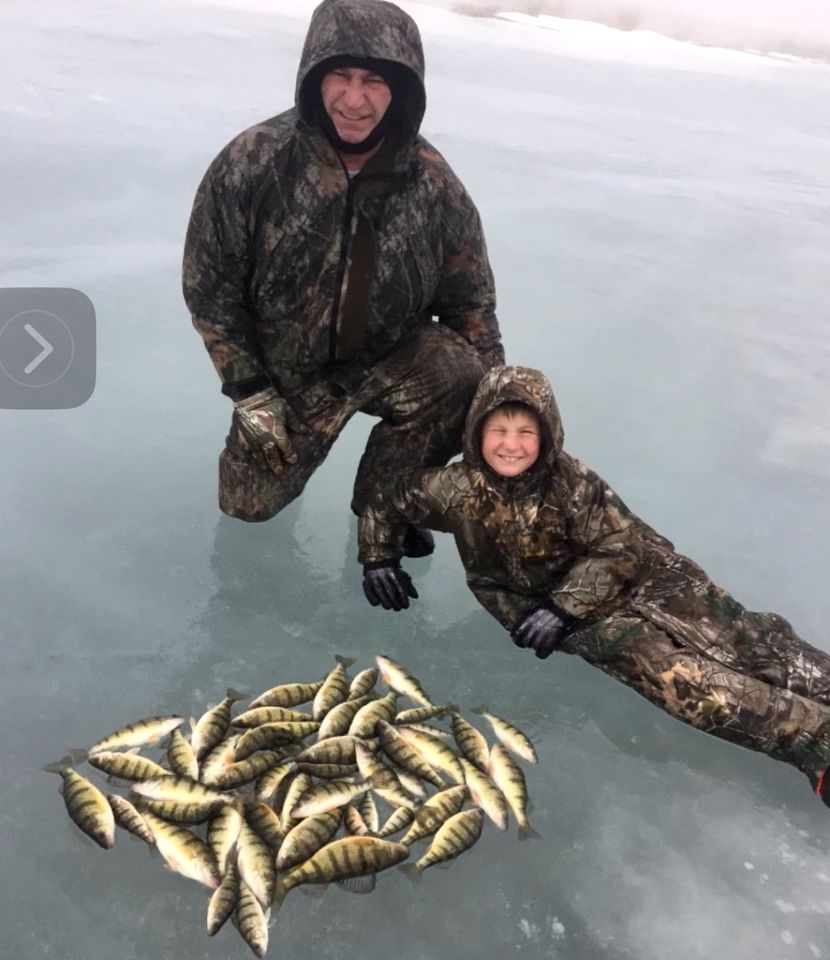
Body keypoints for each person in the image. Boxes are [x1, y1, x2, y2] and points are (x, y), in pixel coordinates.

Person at [359, 365, 830, 803]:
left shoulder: (574, 483)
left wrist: (563, 606)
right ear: (475, 432)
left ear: (547, 436)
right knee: (679, 678)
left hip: (647, 575)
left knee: (747, 638)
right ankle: (814, 742)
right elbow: (385, 499)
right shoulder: (452, 489)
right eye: (497, 430)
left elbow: (620, 549)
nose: (511, 444)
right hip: (570, 614)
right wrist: (378, 557)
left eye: (526, 432)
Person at [182, 0, 503, 555]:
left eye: (375, 81)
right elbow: (211, 293)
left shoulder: (434, 185)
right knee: (246, 507)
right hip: (288, 377)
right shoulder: (252, 163)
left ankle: (386, 502)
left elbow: (471, 308)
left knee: (463, 374)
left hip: (395, 356)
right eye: (340, 76)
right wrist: (250, 393)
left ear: (402, 88)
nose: (355, 100)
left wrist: (502, 413)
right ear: (313, 76)